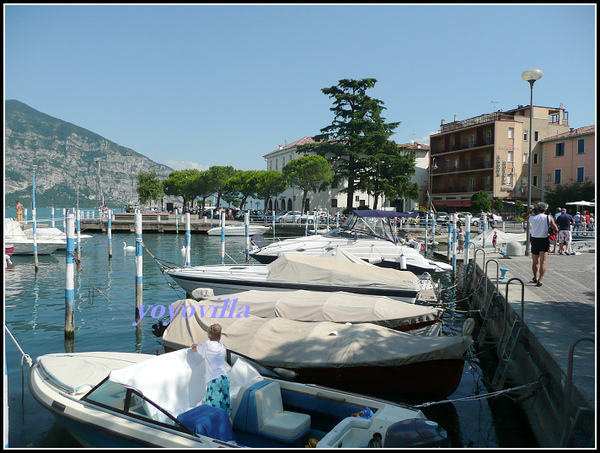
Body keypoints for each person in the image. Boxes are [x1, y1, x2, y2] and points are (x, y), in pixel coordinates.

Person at [191, 324, 231, 416]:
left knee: (212, 408)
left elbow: (194, 349)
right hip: (224, 378)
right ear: (220, 336)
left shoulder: (207, 344)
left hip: (214, 380)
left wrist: (193, 345)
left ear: (209, 335)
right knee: (225, 407)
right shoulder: (222, 346)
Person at [522, 202, 557, 287]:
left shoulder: (532, 218)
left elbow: (524, 217)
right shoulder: (548, 217)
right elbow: (556, 229)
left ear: (537, 209)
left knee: (535, 262)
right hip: (544, 240)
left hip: (534, 240)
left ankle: (534, 277)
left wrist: (530, 211)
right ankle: (540, 280)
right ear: (545, 210)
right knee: (543, 262)